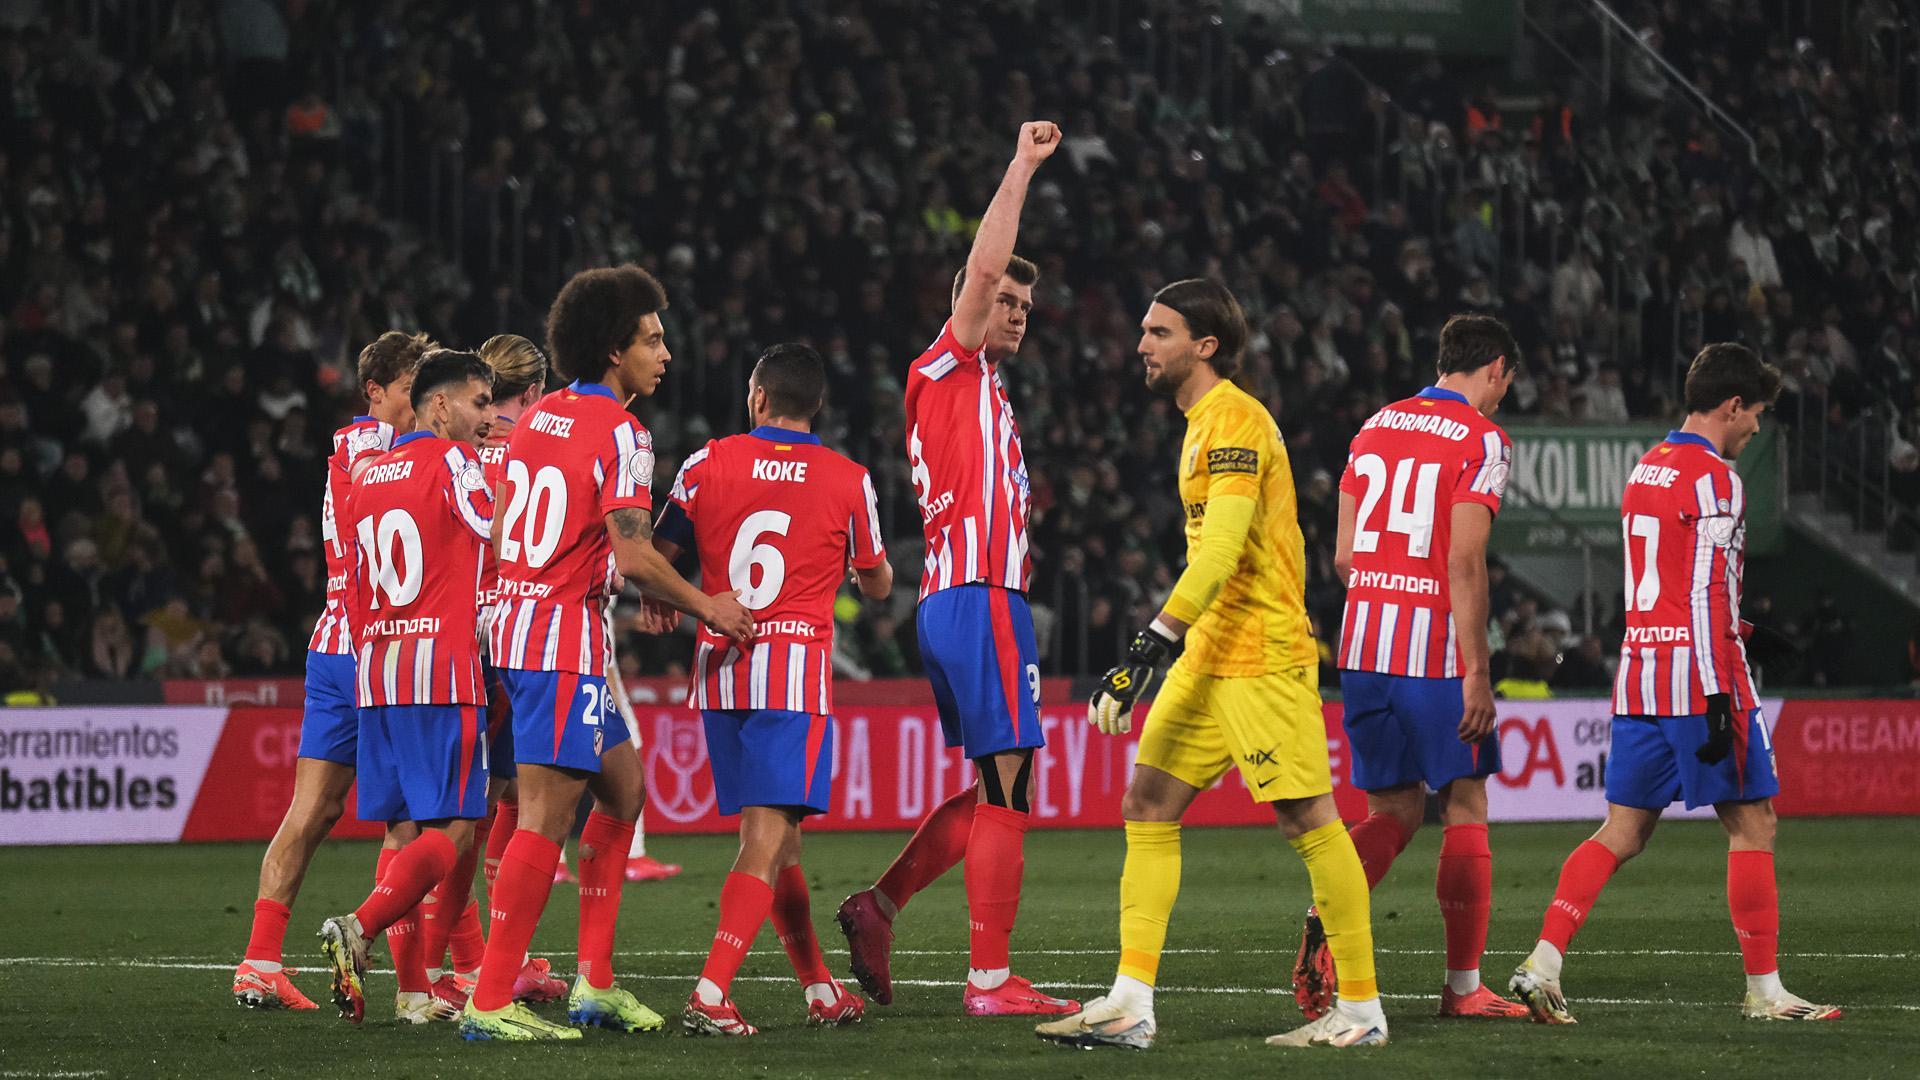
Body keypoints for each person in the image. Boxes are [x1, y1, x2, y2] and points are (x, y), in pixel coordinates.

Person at [1036, 279, 1385, 1051]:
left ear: (1206, 345)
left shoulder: (1234, 421)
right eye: (1143, 329)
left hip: (1260, 652)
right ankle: (1131, 1004)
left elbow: (1222, 551)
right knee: (1147, 801)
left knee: (1308, 819)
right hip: (1210, 651)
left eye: (1158, 332)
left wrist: (1146, 646)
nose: (1141, 345)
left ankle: (1361, 1012)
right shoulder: (1199, 424)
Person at [460, 266, 753, 1042]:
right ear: (614, 349)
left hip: (525, 626)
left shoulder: (539, 417)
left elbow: (508, 530)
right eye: (652, 339)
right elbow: (632, 553)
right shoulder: (624, 433)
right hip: (558, 637)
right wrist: (709, 608)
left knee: (623, 790)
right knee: (545, 816)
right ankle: (490, 998)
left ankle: (593, 983)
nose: (666, 352)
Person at [1509, 343, 1841, 1024]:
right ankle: (1766, 992)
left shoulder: (1647, 468)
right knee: (1754, 823)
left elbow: (1666, 584)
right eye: (1757, 413)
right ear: (1732, 405)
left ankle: (1542, 962)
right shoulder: (1717, 480)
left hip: (1641, 675)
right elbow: (1701, 593)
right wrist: (1721, 692)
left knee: (1623, 830)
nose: (1757, 427)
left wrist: (1748, 631)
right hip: (1700, 676)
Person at [836, 121, 1080, 1018]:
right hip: (979, 597)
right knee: (1011, 783)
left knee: (993, 784)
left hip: (956, 597)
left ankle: (879, 906)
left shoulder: (981, 389)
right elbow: (981, 270)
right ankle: (989, 980)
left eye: (1025, 305)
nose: (1014, 311)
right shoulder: (950, 361)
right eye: (1004, 299)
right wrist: (1021, 166)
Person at [644, 343, 891, 1035]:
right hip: (792, 676)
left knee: (782, 846)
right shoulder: (848, 478)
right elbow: (877, 584)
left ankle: (818, 988)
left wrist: (677, 599)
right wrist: (852, 567)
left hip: (722, 670)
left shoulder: (706, 462)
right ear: (818, 405)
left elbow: (657, 559)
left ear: (758, 397)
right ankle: (711, 991)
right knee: (765, 837)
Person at [1289, 313, 1526, 1023]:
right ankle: (1463, 988)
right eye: (1505, 382)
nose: (1502, 395)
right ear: (1495, 368)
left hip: (1362, 646)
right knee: (1465, 804)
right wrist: (1477, 671)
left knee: (1392, 810)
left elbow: (1342, 555)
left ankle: (1325, 914)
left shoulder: (1375, 425)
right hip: (1433, 654)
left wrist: (1384, 592)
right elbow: (1464, 560)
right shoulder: (1483, 438)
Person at [232, 331, 429, 1011]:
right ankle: (414, 987)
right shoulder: (370, 446)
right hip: (377, 650)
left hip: (334, 644)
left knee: (314, 809)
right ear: (374, 390)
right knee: (410, 821)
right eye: (411, 388)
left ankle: (260, 960)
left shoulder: (365, 448)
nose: (424, 401)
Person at [316, 349, 498, 1024]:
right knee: (455, 831)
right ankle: (358, 926)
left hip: (379, 668)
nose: (488, 418)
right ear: (440, 405)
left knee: (401, 831)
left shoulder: (368, 472)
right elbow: (499, 532)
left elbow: (354, 580)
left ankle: (413, 992)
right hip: (440, 669)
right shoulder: (453, 462)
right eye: (480, 402)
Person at [420, 333, 567, 1018]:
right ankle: (457, 965)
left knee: (483, 807)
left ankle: (475, 963)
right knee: (487, 812)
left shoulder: (450, 449)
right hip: (505, 637)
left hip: (444, 637)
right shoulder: (531, 448)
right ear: (535, 391)